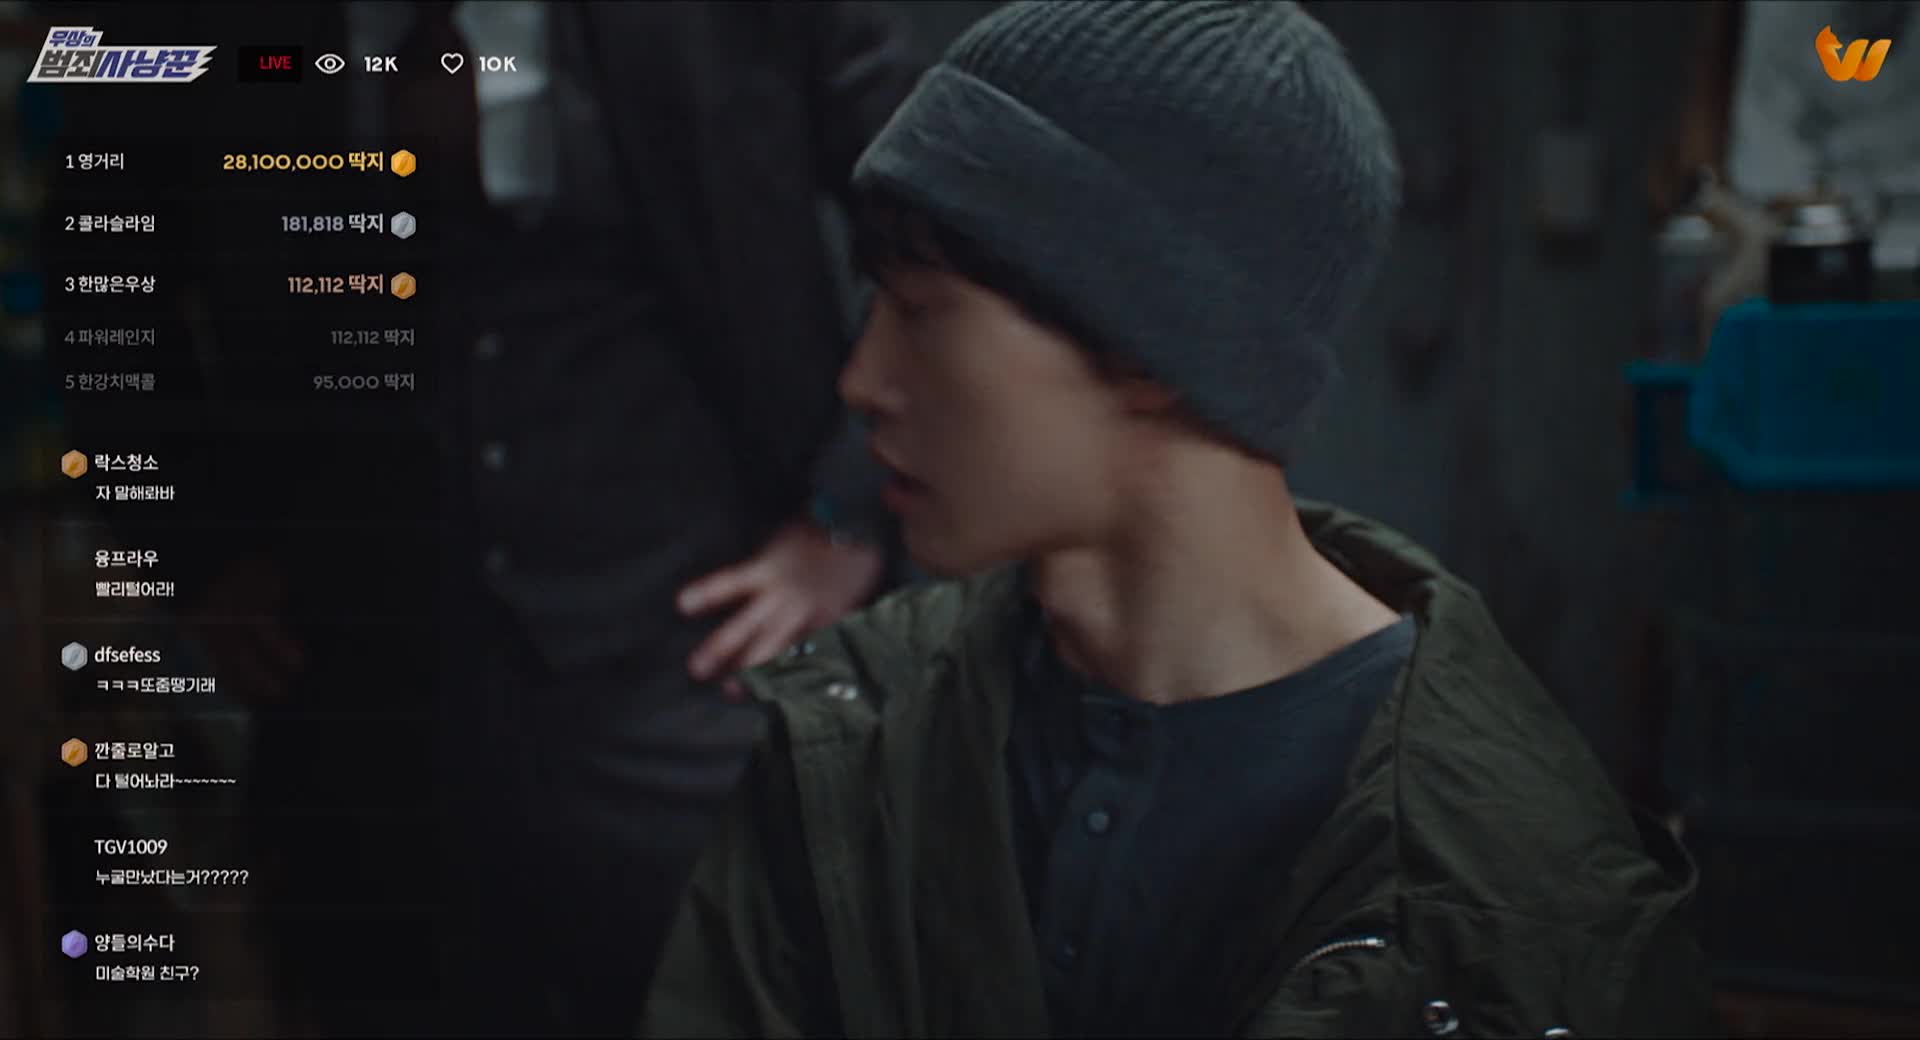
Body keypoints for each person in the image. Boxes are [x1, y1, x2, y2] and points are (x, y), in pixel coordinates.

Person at [641, 2, 1721, 1037]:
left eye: (922, 312)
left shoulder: (1523, 895)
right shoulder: (848, 741)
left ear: (1155, 342)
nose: (863, 381)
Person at [47, 2, 921, 1036]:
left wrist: (848, 510)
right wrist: (195, 551)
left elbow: (933, 206)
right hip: (356, 673)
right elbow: (100, 270)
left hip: (690, 640)